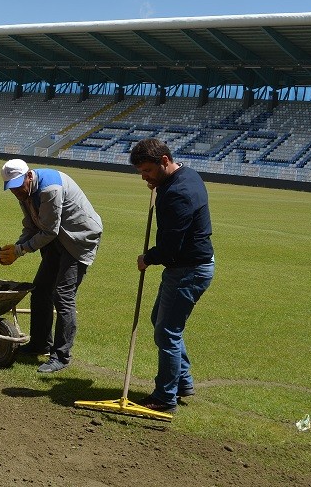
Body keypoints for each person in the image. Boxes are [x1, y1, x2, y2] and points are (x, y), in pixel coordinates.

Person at [130, 138, 215, 415]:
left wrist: (147, 259)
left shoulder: (177, 193)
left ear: (164, 161)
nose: (144, 177)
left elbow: (170, 247)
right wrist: (159, 184)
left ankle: (165, 397)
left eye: (147, 171)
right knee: (162, 322)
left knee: (167, 332)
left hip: (188, 269)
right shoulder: (187, 175)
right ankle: (183, 381)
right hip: (190, 266)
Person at [0, 159, 103, 373]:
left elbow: (49, 230)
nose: (16, 192)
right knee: (40, 291)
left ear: (29, 176)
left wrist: (20, 251)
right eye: (12, 188)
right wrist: (17, 245)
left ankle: (61, 356)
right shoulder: (24, 192)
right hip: (57, 240)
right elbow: (31, 225)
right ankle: (40, 343)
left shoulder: (50, 188)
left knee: (63, 295)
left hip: (79, 238)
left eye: (18, 186)